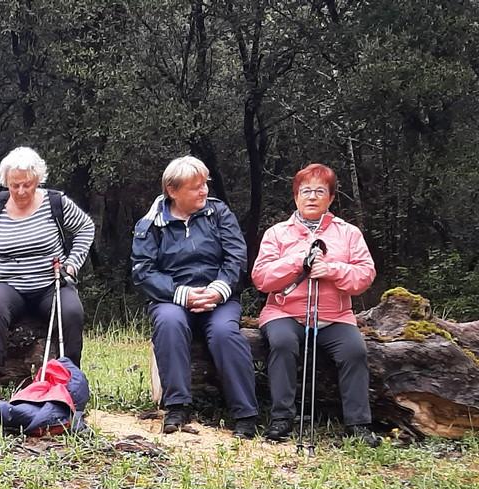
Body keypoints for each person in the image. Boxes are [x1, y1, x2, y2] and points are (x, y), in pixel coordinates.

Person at [250, 163, 380, 447]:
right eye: (305, 191)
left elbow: (365, 275)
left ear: (331, 198)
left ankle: (358, 424)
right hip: (284, 312)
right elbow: (261, 278)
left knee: (355, 351)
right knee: (282, 343)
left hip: (335, 316)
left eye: (320, 191)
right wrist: (298, 260)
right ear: (296, 196)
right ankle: (281, 418)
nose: (312, 196)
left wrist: (332, 269)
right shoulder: (277, 233)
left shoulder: (348, 233)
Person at [131, 156, 258, 437]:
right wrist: (181, 293)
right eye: (195, 187)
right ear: (172, 191)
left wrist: (218, 289)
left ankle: (245, 414)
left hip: (219, 297)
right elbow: (142, 271)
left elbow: (237, 257)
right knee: (169, 324)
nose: (204, 191)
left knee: (226, 333)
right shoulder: (151, 224)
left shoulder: (219, 213)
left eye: (204, 185)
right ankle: (177, 407)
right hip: (171, 298)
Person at [0, 147, 96, 375]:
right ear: (6, 182)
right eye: (15, 185)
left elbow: (86, 227)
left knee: (72, 312)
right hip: (8, 284)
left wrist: (73, 263)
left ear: (38, 180)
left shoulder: (56, 203)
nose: (22, 190)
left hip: (50, 284)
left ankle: (70, 377)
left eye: (27, 184)